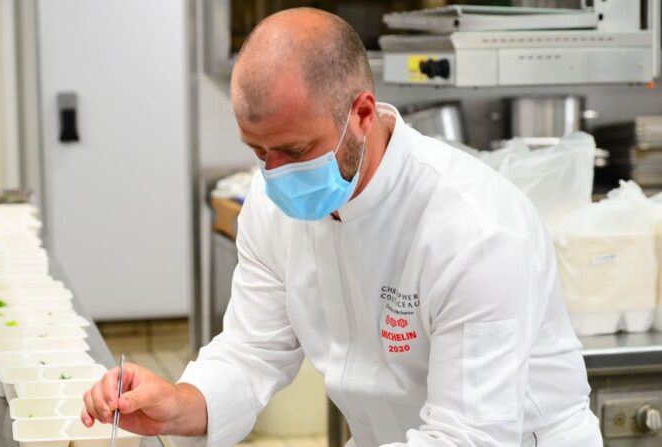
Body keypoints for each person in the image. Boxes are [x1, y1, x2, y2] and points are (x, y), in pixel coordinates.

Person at [82, 8, 602, 446]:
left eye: (295, 150)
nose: (276, 173)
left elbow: (468, 435)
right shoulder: (269, 206)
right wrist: (179, 403)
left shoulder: (475, 231)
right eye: (259, 151)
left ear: (362, 113)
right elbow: (251, 351)